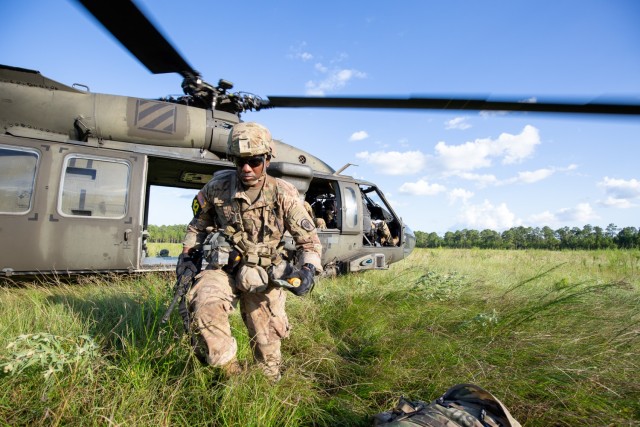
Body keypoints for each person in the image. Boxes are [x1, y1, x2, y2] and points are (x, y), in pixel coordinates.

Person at [177, 122, 323, 381]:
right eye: (239, 161)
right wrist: (187, 257)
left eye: (254, 161)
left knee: (266, 345)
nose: (246, 168)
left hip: (265, 272)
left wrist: (308, 270)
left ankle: (264, 385)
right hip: (225, 267)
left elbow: (309, 243)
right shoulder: (217, 188)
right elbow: (196, 227)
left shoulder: (283, 193)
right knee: (204, 308)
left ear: (267, 159)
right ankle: (230, 373)